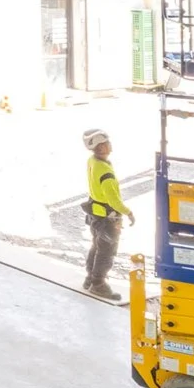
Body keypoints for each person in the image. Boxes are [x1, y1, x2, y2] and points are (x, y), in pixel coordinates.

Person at [80, 128, 134, 299]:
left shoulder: (92, 161)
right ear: (101, 148)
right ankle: (98, 284)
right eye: (107, 143)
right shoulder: (106, 173)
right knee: (106, 251)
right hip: (107, 217)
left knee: (97, 246)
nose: (110, 145)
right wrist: (128, 212)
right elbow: (114, 201)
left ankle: (90, 277)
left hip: (95, 214)